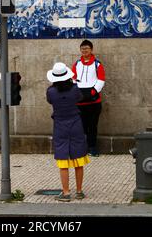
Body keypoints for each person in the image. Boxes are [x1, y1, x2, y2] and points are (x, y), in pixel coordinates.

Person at [46, 62, 90, 202]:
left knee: (63, 161)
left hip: (60, 126)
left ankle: (65, 192)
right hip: (76, 124)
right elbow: (80, 98)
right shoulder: (75, 89)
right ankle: (79, 191)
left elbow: (50, 101)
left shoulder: (51, 92)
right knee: (78, 159)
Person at [72, 40, 105, 157]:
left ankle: (92, 147)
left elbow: (101, 79)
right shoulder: (77, 64)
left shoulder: (97, 64)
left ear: (91, 49)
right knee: (80, 126)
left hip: (93, 100)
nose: (84, 50)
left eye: (86, 48)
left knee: (92, 125)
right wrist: (77, 91)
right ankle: (82, 148)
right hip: (80, 101)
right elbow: (73, 78)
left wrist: (93, 91)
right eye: (82, 48)